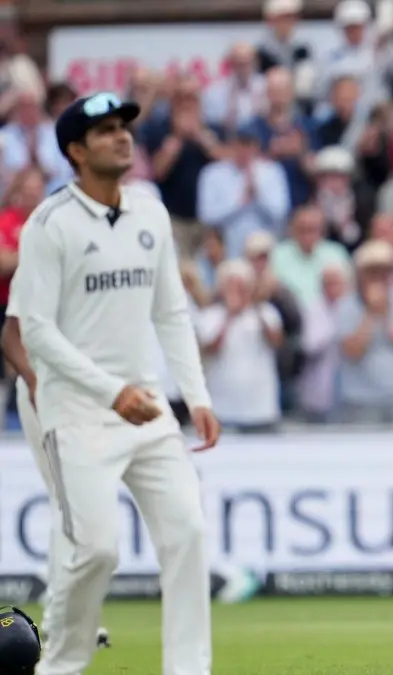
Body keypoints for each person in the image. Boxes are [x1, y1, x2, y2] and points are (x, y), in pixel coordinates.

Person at [13, 92, 221, 675]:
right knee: (96, 551)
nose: (122, 137)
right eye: (104, 131)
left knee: (187, 532)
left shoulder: (151, 211)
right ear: (76, 151)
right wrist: (110, 391)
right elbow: (36, 333)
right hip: (76, 416)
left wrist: (197, 396)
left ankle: (189, 668)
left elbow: (171, 313)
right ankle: (60, 666)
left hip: (147, 409)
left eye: (124, 127)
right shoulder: (48, 224)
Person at [0, 273, 112, 652]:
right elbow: (11, 336)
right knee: (67, 502)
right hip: (45, 393)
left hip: (84, 395)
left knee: (75, 503)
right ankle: (63, 619)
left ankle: (71, 616)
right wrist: (34, 382)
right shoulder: (40, 261)